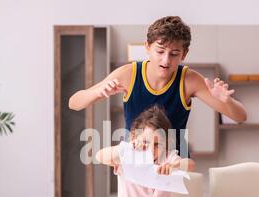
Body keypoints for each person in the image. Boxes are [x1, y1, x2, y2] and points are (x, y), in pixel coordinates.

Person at [69, 16, 247, 156]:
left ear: (184, 54)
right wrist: (97, 92)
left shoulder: (189, 80)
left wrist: (227, 102)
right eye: (160, 51)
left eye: (174, 54)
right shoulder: (129, 74)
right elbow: (74, 103)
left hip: (174, 163)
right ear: (147, 47)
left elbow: (241, 116)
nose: (166, 60)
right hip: (135, 160)